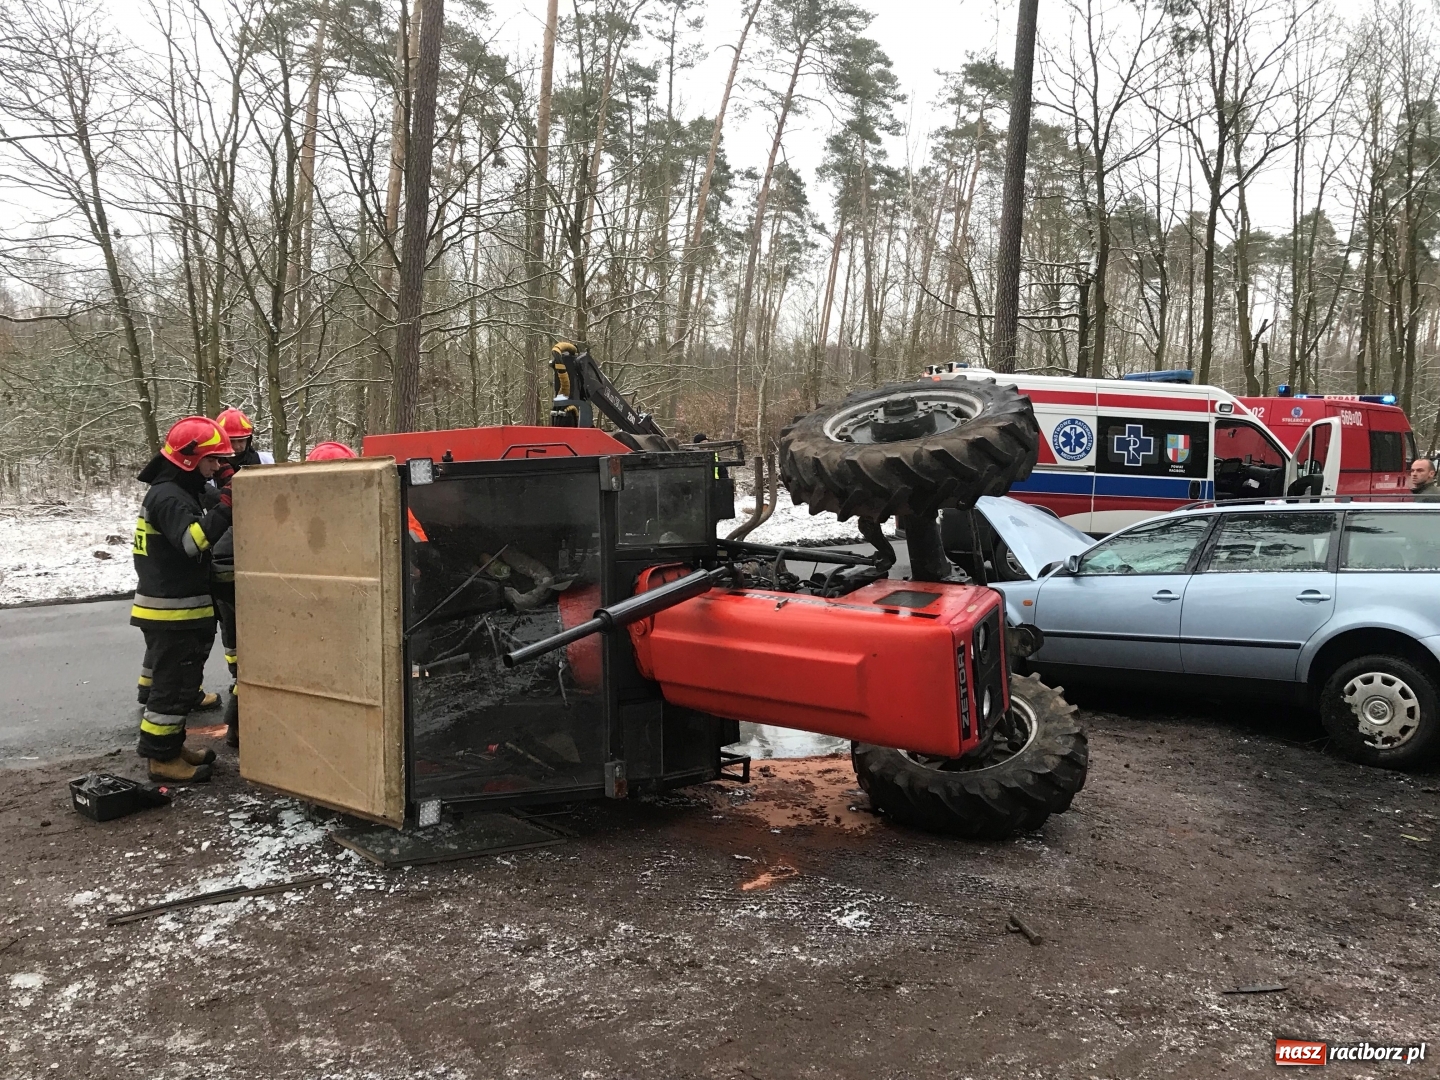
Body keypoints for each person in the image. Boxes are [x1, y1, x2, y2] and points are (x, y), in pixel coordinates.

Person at [131, 416, 235, 782]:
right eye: (213, 460)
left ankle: (172, 748)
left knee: (182, 687)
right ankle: (161, 759)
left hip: (177, 611)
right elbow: (192, 542)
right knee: (171, 692)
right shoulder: (168, 497)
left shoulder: (178, 491)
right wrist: (225, 506)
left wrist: (225, 488)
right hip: (171, 613)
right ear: (190, 460)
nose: (218, 466)